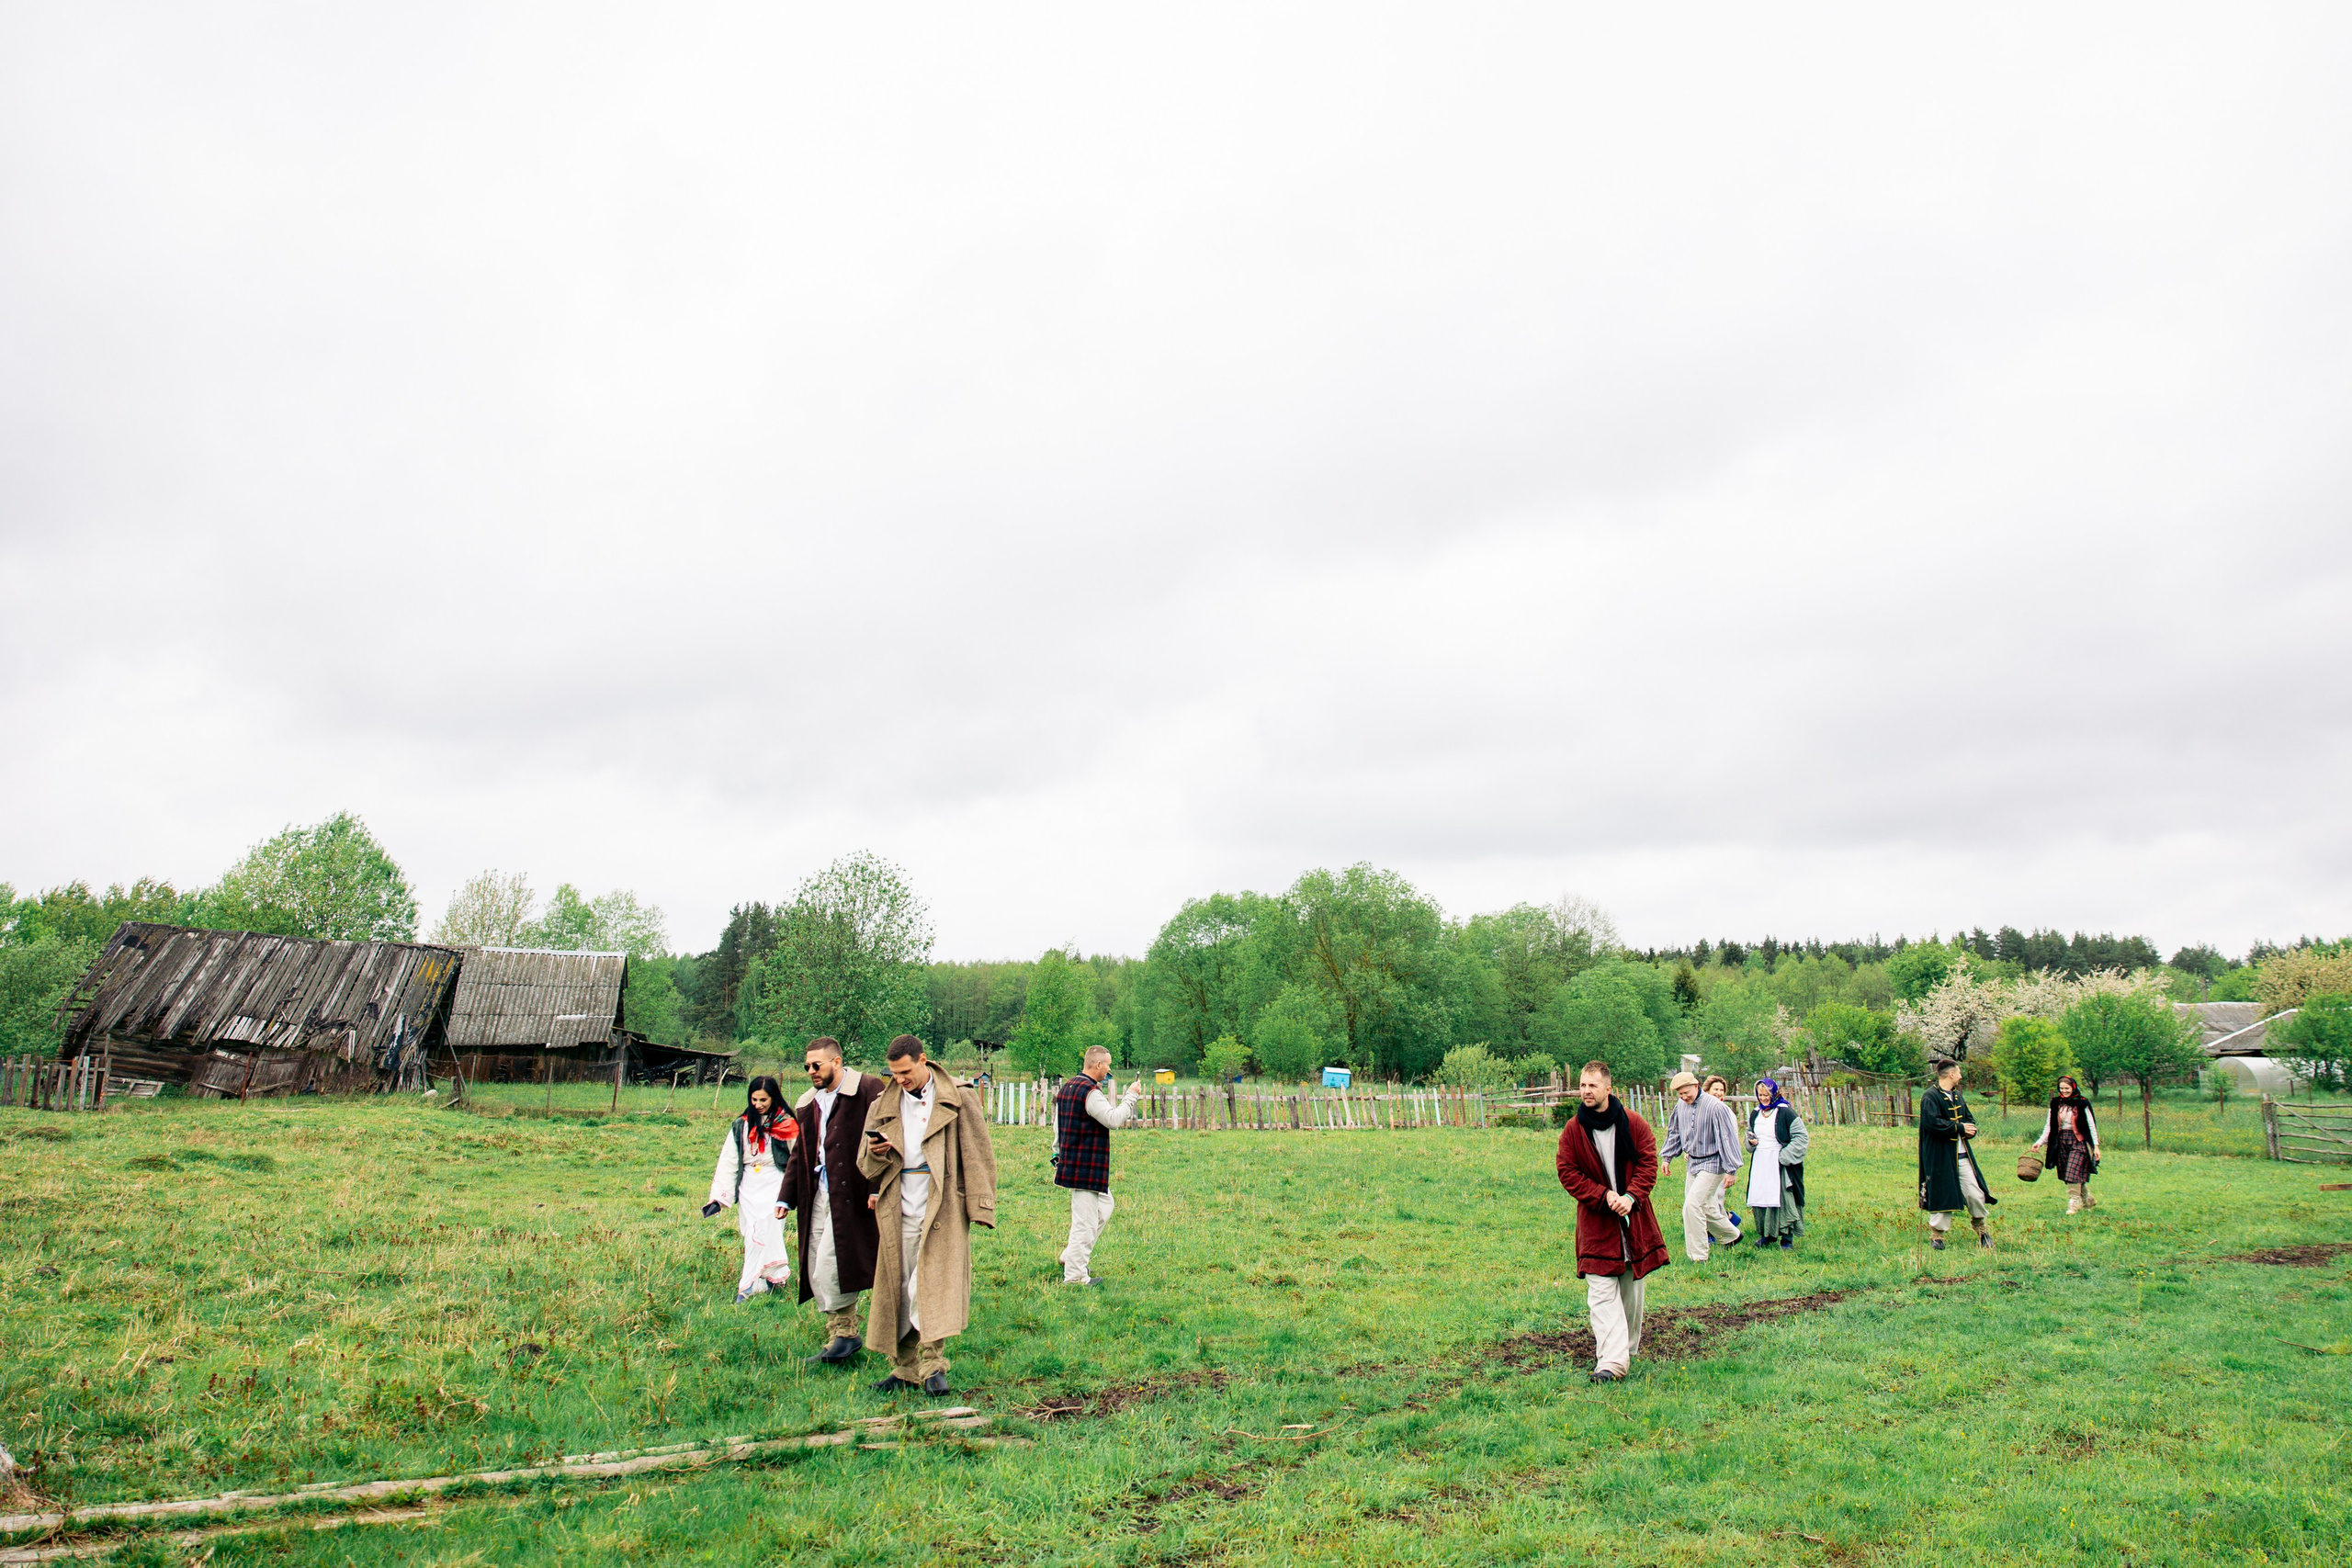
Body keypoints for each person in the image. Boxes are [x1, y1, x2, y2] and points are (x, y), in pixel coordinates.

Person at [858, 1035, 998, 1396]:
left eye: (905, 1072)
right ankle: (904, 1369)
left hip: (943, 1204)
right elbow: (865, 1164)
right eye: (893, 1074)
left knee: (932, 1284)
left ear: (923, 1060)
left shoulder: (959, 1096)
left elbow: (978, 1153)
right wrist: (877, 1151)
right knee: (900, 1285)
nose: (900, 1080)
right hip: (899, 1206)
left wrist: (980, 1206)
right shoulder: (882, 1104)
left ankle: (933, 1365)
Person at [1554, 1060, 1669, 1383]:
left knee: (1630, 1293)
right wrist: (1603, 1195)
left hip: (1634, 1221)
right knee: (1601, 1293)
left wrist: (1630, 1197)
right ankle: (1611, 1363)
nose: (1586, 1091)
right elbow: (1568, 1172)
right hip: (1596, 1224)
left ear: (1608, 1088)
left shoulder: (1634, 1124)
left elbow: (1648, 1164)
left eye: (1592, 1085)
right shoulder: (1573, 1130)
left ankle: (1627, 1350)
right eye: (1582, 1085)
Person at [778, 1037, 888, 1364]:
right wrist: (786, 1196)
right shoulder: (809, 1102)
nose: (811, 1071)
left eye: (817, 1065)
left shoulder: (866, 1089)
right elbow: (801, 1152)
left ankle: (846, 1334)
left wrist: (875, 1186)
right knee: (814, 1262)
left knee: (833, 1264)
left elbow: (883, 1140)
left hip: (852, 1195)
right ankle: (839, 1333)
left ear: (837, 1062)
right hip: (818, 1193)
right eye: (807, 1066)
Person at [1052, 1043, 1143, 1285]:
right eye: (1108, 1066)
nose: (1108, 1071)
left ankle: (1071, 1256)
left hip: (1075, 1163)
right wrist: (1132, 1096)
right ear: (1098, 1064)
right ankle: (1075, 1276)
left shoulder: (1068, 1087)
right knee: (1085, 1223)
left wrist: (1057, 1154)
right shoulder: (1090, 1092)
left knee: (1105, 1206)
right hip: (1085, 1166)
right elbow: (1113, 1119)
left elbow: (1058, 1127)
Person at [707, 1075, 799, 1302]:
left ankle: (747, 1287)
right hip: (749, 1184)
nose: (758, 1104)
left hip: (775, 1182)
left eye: (763, 1100)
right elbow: (728, 1160)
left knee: (768, 1231)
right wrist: (718, 1198)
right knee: (751, 1234)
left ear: (773, 1098)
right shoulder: (741, 1124)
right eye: (754, 1099)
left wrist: (795, 1191)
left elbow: (798, 1157)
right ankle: (768, 1278)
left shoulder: (786, 1122)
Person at [1657, 1069, 1743, 1262]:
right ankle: (1731, 1236)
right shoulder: (1680, 1106)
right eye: (1680, 1094)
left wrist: (1732, 1170)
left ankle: (1698, 1256)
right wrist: (1667, 1157)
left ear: (1696, 1086)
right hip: (1694, 1162)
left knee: (1692, 1206)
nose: (1684, 1097)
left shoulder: (1715, 1107)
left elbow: (1727, 1138)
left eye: (1687, 1093)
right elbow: (1675, 1132)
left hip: (1714, 1162)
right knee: (1703, 1206)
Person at [1918, 1058, 1997, 1250]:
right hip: (1940, 1156)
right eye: (1959, 1072)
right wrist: (1959, 1127)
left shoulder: (1957, 1095)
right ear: (1951, 1074)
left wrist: (1970, 1128)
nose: (1961, 1076)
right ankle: (1937, 1236)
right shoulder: (1930, 1097)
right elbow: (1932, 1123)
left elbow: (1968, 1118)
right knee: (1941, 1193)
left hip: (1962, 1156)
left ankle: (1981, 1229)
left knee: (1975, 1194)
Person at [1743, 1077, 1808, 1248]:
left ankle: (1787, 1239)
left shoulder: (1785, 1112)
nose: (1763, 1098)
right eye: (1760, 1095)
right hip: (1760, 1161)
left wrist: (1784, 1156)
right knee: (1762, 1197)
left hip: (1779, 1163)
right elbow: (1749, 1133)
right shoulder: (1756, 1113)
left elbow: (1801, 1137)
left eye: (1766, 1094)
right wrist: (1751, 1141)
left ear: (1774, 1093)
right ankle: (1768, 1235)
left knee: (1782, 1198)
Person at [2029, 1075, 2103, 1214]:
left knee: (2072, 1171)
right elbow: (2049, 1126)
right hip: (2062, 1142)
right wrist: (2040, 1142)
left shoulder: (2082, 1103)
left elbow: (2091, 1126)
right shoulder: (2056, 1103)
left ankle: (2074, 1203)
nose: (2064, 1091)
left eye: (2067, 1088)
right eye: (2061, 1088)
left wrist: (2096, 1146)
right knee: (2066, 1174)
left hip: (2079, 1142)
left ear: (2073, 1087)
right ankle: (2087, 1198)